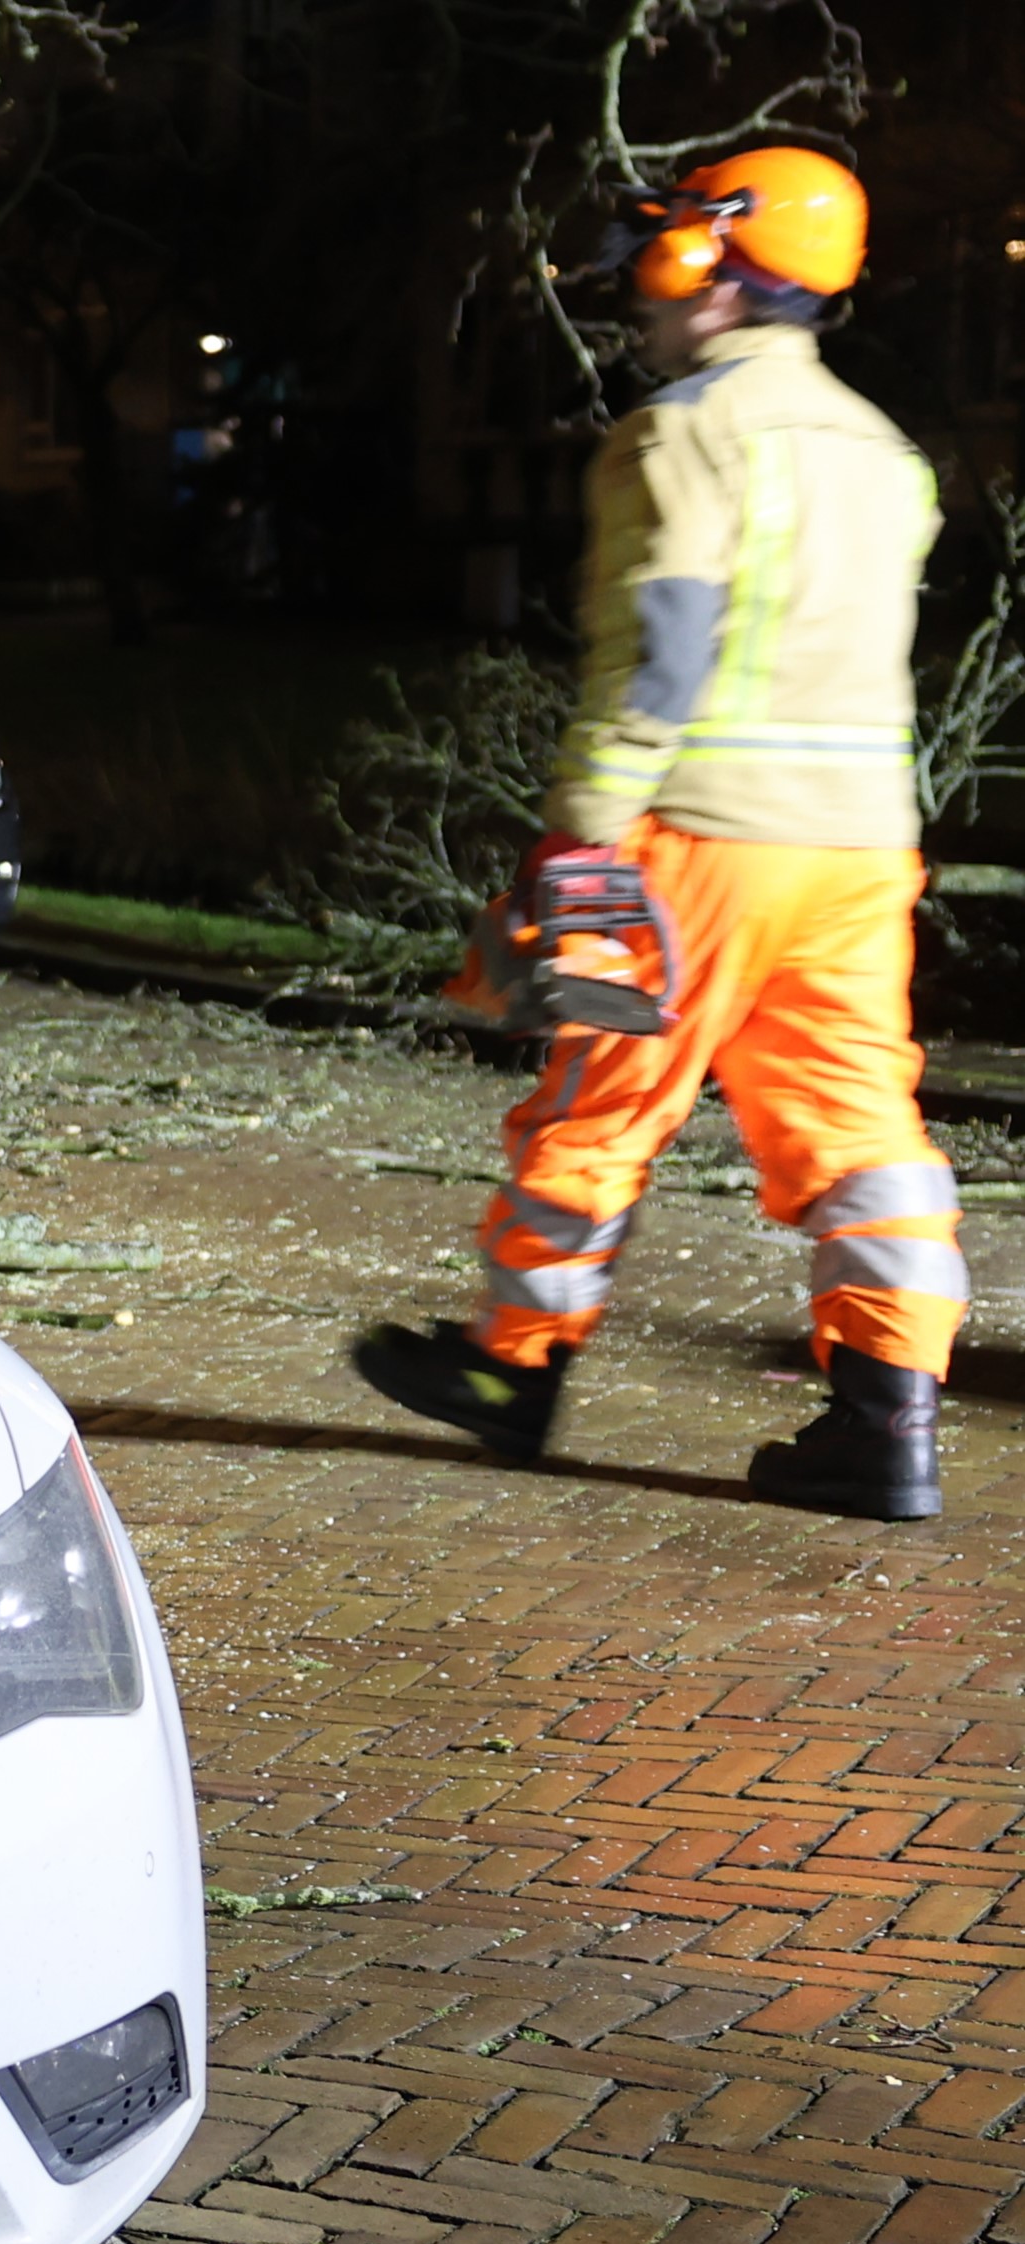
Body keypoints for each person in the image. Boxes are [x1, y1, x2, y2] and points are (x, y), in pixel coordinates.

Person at [349, 147, 954, 1520]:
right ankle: (889, 1416)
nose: (642, 288)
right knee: (863, 1128)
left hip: (701, 834)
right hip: (858, 851)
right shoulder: (885, 453)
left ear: (721, 263)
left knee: (604, 1104)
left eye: (669, 250)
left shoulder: (685, 433)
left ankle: (514, 1370)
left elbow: (663, 653)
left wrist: (584, 832)